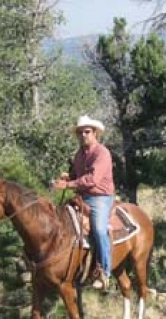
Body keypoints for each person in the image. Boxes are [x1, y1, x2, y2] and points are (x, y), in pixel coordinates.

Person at [53, 115, 115, 291]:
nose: (83, 135)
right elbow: (78, 176)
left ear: (95, 133)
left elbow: (93, 179)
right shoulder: (79, 154)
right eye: (80, 132)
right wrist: (69, 176)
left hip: (99, 198)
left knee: (99, 229)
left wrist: (68, 184)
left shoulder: (102, 153)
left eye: (87, 132)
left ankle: (104, 271)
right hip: (81, 197)